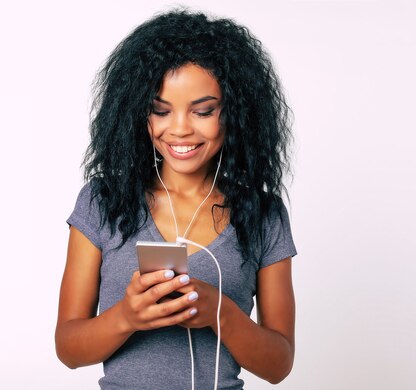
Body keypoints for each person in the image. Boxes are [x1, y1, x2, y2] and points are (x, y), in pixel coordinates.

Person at [55, 9, 297, 389]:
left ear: (234, 112)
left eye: (203, 111)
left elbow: (279, 364)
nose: (181, 128)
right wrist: (127, 317)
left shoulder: (264, 215)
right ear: (139, 113)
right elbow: (68, 349)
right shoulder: (102, 203)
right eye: (160, 110)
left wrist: (219, 312)